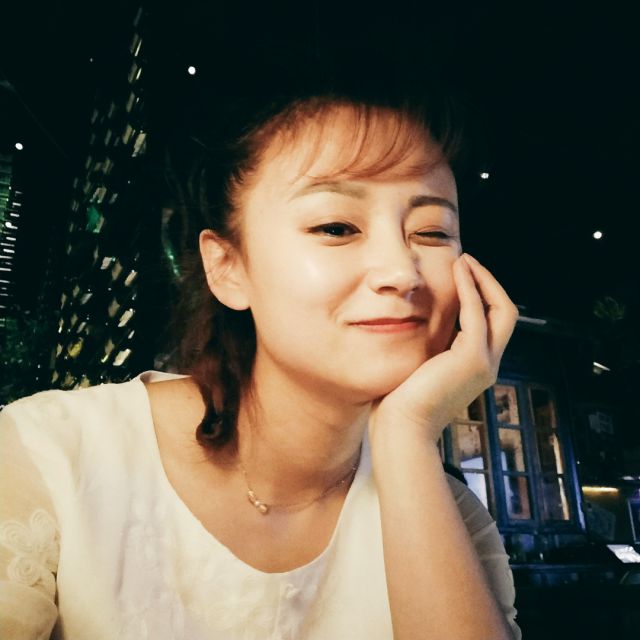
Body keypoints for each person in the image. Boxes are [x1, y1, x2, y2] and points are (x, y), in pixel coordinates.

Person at [0, 86, 521, 639]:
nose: (403, 271)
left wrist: (407, 433)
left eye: (432, 232)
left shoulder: (453, 520)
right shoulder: (51, 456)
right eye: (336, 228)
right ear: (228, 267)